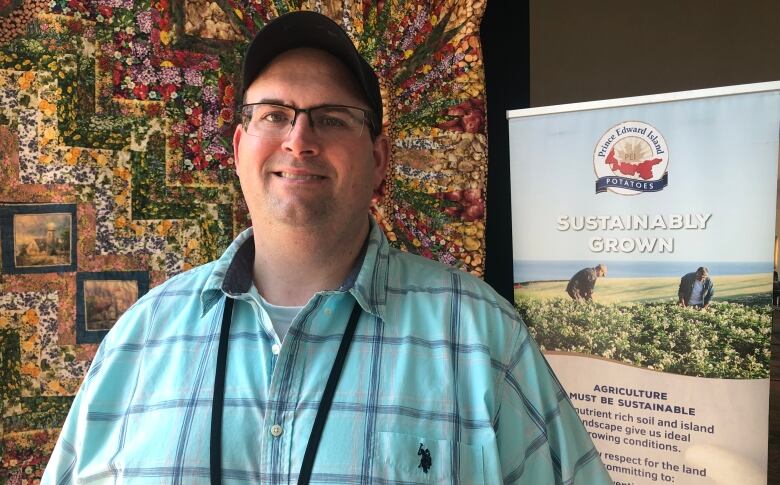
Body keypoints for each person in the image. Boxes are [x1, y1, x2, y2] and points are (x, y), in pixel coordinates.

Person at [42, 11, 611, 484]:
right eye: (274, 115)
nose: (299, 139)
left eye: (333, 119)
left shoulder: (482, 337)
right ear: (240, 147)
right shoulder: (141, 336)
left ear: (379, 158)